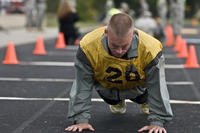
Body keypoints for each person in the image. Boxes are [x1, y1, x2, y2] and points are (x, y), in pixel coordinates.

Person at [65, 13, 173, 133]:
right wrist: (81, 120)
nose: (119, 51)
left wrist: (157, 121)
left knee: (145, 96)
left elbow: (157, 86)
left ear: (133, 34)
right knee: (111, 98)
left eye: (124, 46)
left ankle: (145, 102)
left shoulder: (150, 49)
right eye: (114, 46)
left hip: (139, 88)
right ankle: (117, 101)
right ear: (106, 33)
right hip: (108, 88)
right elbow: (82, 84)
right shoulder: (88, 46)